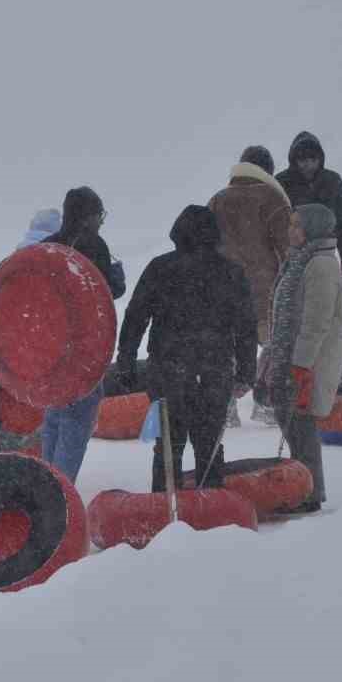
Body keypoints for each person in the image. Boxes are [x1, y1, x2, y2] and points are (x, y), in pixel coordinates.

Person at [115, 206, 258, 492]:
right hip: (214, 369)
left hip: (168, 369)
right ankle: (213, 505)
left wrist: (127, 361)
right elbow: (246, 326)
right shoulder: (231, 272)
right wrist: (245, 371)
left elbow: (135, 317)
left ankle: (166, 508)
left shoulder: (160, 268)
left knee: (168, 445)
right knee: (209, 444)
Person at [264, 204, 342, 513]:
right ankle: (302, 486)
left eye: (297, 226)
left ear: (313, 229)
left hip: (309, 360)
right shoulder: (299, 260)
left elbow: (316, 321)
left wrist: (301, 366)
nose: (291, 231)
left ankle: (310, 492)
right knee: (292, 422)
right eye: (291, 225)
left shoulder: (322, 264)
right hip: (292, 355)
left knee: (302, 425)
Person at [39, 186, 126, 482]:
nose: (101, 221)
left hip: (49, 351)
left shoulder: (47, 246)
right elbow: (104, 292)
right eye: (99, 215)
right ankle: (60, 492)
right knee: (77, 420)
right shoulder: (93, 244)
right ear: (88, 217)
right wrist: (117, 276)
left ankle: (46, 481)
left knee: (54, 417)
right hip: (83, 350)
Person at [208, 145, 291, 427]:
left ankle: (226, 406)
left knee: (227, 348)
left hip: (223, 290)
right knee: (275, 346)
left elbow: (205, 244)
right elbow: (288, 247)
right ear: (268, 170)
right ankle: (265, 402)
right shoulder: (273, 198)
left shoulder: (218, 199)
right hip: (265, 290)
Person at [276, 132, 342, 285]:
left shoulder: (332, 181)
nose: (308, 165)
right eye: (303, 160)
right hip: (292, 255)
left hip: (325, 252)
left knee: (323, 298)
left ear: (320, 159)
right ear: (294, 160)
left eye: (313, 159)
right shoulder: (282, 182)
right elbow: (276, 224)